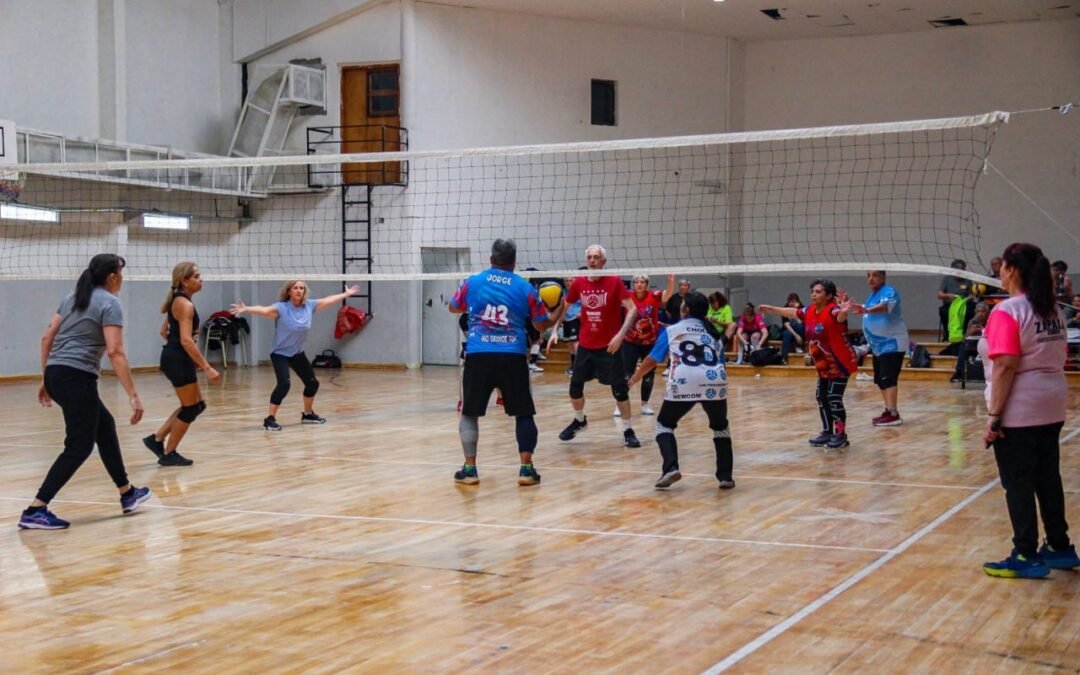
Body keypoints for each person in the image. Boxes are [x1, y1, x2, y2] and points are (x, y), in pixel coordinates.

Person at [19, 254, 152, 529]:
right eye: (121, 274)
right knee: (79, 446)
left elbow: (46, 338)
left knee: (105, 426)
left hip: (57, 373)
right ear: (113, 276)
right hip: (76, 377)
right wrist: (133, 395)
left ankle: (127, 492)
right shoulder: (110, 303)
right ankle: (36, 508)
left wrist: (46, 377)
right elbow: (115, 351)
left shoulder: (71, 298)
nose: (122, 279)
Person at [980, 242, 1079, 578]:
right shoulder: (1052, 309)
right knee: (1047, 477)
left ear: (1010, 270)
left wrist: (994, 417)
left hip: (1020, 406)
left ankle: (1025, 554)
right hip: (1052, 402)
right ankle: (1059, 547)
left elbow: (1005, 365)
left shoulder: (1008, 311)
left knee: (1019, 482)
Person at [448, 239, 564, 485]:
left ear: (491, 259)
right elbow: (540, 325)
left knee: (469, 412)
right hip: (512, 356)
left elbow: (453, 307)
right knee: (523, 413)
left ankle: (470, 469)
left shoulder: (473, 282)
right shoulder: (525, 288)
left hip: (479, 355)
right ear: (514, 262)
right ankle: (526, 470)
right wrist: (557, 311)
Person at [629, 291, 735, 490]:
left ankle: (671, 468)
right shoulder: (712, 332)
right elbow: (720, 356)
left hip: (685, 378)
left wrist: (635, 377)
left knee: (664, 425)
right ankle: (725, 477)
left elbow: (652, 359)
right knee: (720, 427)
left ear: (685, 309)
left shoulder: (672, 330)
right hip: (715, 379)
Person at [231, 281, 360, 430]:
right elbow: (265, 310)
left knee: (312, 383)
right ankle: (269, 419)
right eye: (295, 288)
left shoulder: (309, 305)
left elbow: (327, 300)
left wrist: (346, 294)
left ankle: (307, 414)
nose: (299, 290)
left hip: (297, 353)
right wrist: (246, 309)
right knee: (284, 384)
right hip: (280, 353)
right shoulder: (282, 307)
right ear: (289, 291)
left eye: (301, 288)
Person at [557, 244, 642, 448]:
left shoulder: (614, 281)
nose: (592, 260)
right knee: (575, 388)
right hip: (586, 345)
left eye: (596, 257)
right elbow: (566, 305)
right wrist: (554, 329)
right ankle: (579, 420)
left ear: (603, 261)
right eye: (589, 257)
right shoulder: (579, 282)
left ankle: (628, 430)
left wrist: (621, 335)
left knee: (619, 390)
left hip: (609, 346)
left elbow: (632, 309)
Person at [761, 280, 858, 450]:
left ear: (828, 295)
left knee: (834, 398)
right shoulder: (810, 310)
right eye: (813, 291)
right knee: (821, 396)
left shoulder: (833, 310)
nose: (813, 294)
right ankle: (827, 431)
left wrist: (844, 311)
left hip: (839, 362)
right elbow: (793, 312)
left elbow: (840, 316)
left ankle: (840, 435)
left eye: (818, 292)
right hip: (823, 363)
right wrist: (772, 309)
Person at [142, 262, 220, 466]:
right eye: (196, 276)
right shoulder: (185, 304)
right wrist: (207, 367)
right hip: (178, 359)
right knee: (190, 408)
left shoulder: (177, 301)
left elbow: (164, 331)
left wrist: (180, 350)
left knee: (197, 405)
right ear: (184, 281)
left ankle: (156, 439)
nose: (200, 280)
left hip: (176, 357)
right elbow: (185, 340)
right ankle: (169, 453)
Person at [849, 271, 908, 426]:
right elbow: (868, 308)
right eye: (868, 275)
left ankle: (893, 414)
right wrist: (854, 306)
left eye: (875, 275)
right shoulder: (872, 296)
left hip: (892, 343)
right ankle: (888, 410)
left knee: (888, 378)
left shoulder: (889, 291)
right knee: (881, 380)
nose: (871, 278)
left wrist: (866, 310)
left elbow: (885, 307)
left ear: (883, 277)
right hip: (878, 347)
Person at [616, 273, 675, 417]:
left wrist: (671, 282)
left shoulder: (653, 296)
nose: (639, 284)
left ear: (647, 284)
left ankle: (644, 404)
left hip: (649, 342)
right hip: (630, 341)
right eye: (636, 282)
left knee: (648, 374)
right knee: (627, 373)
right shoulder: (628, 296)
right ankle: (620, 404)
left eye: (642, 282)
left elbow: (667, 296)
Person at [937, 259, 971, 341]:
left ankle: (963, 335)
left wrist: (968, 299)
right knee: (944, 312)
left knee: (970, 312)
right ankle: (948, 335)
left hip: (964, 305)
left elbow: (972, 294)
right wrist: (948, 296)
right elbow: (939, 294)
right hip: (950, 305)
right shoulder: (947, 279)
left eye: (963, 270)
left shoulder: (968, 280)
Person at [778, 293, 805, 364]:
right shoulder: (785, 310)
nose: (792, 303)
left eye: (794, 301)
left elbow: (801, 323)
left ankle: (799, 346)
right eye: (790, 302)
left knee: (799, 326)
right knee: (787, 334)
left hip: (800, 332)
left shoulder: (802, 309)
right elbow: (786, 325)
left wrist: (796, 311)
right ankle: (784, 358)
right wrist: (796, 335)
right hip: (790, 331)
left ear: (798, 302)